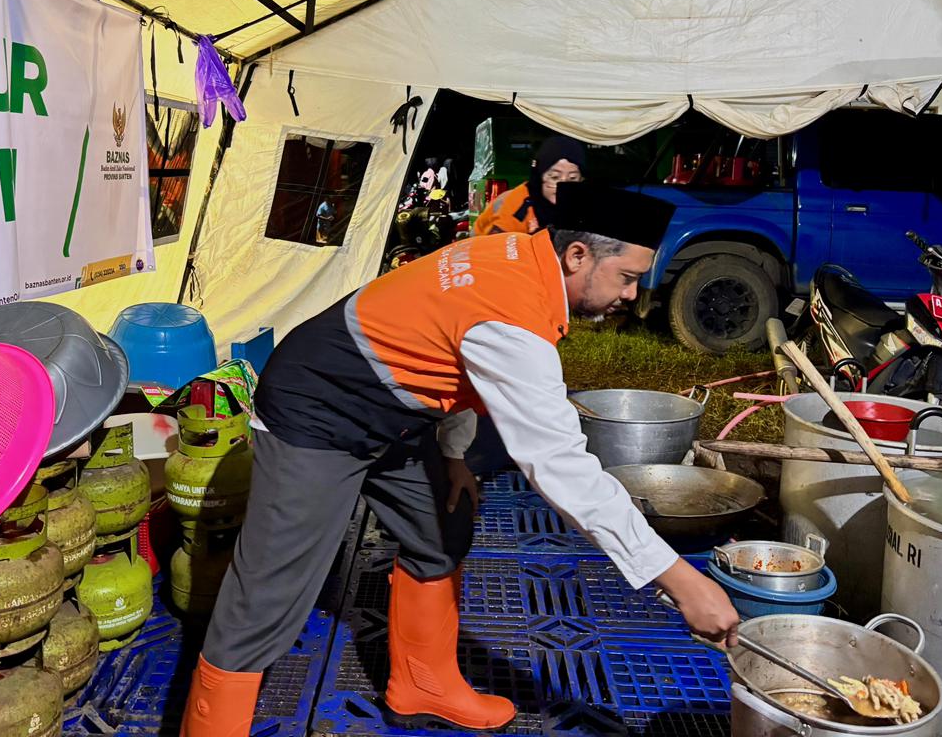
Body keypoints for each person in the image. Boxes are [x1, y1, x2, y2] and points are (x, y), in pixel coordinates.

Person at [181, 183, 739, 737]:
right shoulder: (511, 313)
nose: (632, 294)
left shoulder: (519, 254)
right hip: (318, 407)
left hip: (394, 407)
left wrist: (451, 454)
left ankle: (422, 684)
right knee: (271, 591)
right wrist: (681, 580)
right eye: (627, 277)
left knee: (441, 524)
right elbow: (561, 467)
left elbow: (454, 355)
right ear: (577, 255)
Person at [473, 134, 585, 236]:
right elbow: (497, 252)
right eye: (555, 177)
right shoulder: (516, 207)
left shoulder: (582, 204)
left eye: (572, 178)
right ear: (539, 176)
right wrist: (532, 241)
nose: (563, 185)